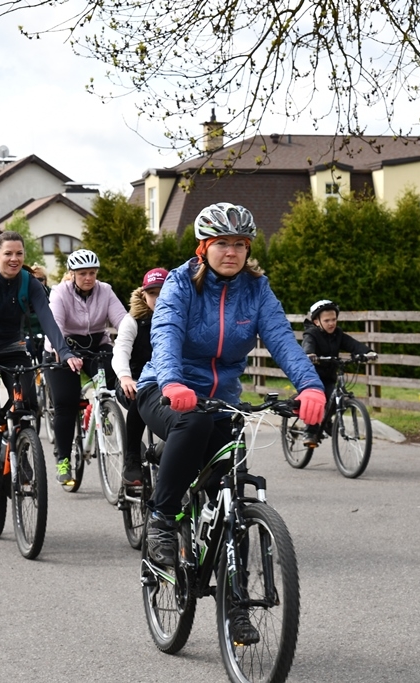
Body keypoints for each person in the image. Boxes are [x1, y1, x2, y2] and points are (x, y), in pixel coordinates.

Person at [135, 202, 326, 571]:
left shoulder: (257, 290)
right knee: (194, 423)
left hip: (222, 401)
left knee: (228, 500)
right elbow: (166, 335)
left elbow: (283, 340)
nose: (232, 251)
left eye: (240, 244)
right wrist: (173, 382)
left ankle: (234, 605)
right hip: (165, 390)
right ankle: (161, 520)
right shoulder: (180, 284)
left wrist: (311, 387)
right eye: (222, 243)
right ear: (203, 248)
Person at [0, 230, 81, 503]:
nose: (14, 259)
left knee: (29, 403)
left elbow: (48, 319)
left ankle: (22, 451)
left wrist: (64, 351)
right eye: (8, 254)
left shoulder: (30, 283)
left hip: (14, 350)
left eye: (19, 254)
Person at [45, 249, 127, 484]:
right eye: (82, 273)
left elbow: (122, 319)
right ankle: (63, 459)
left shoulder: (105, 291)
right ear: (72, 274)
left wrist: (131, 341)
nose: (88, 278)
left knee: (116, 382)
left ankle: (101, 408)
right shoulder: (60, 293)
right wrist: (65, 352)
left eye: (92, 273)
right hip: (61, 348)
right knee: (66, 404)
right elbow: (55, 327)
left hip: (95, 345)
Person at [113, 268, 168, 486]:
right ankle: (132, 458)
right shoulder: (133, 321)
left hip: (166, 383)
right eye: (152, 293)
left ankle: (166, 452)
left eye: (163, 292)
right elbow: (120, 352)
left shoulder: (182, 318)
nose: (158, 298)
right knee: (140, 395)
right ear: (144, 295)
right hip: (133, 381)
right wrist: (125, 377)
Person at [302, 299, 377, 444]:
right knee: (316, 402)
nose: (331, 323)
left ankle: (327, 422)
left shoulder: (338, 334)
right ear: (317, 322)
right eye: (327, 320)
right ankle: (310, 432)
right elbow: (308, 344)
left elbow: (352, 344)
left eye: (334, 319)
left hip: (329, 376)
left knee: (336, 399)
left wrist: (368, 352)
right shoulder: (311, 334)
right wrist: (309, 354)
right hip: (313, 377)